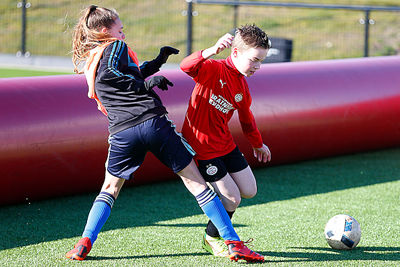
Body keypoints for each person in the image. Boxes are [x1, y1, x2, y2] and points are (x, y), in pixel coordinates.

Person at [66, 5, 264, 263]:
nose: (123, 34)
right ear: (105, 31)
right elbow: (112, 77)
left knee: (110, 188)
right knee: (197, 185)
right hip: (152, 122)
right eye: (120, 29)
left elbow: (120, 78)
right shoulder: (114, 47)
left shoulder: (92, 59)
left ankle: (85, 241)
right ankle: (234, 243)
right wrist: (145, 84)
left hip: (122, 131)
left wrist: (157, 62)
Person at [180, 25, 272, 257]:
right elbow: (185, 66)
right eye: (254, 60)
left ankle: (216, 230)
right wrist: (211, 50)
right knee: (232, 198)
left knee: (250, 190)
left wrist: (257, 143)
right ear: (235, 53)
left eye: (261, 61)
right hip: (202, 147)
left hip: (226, 145)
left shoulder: (242, 85)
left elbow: (247, 119)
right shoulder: (212, 68)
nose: (258, 67)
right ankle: (211, 237)